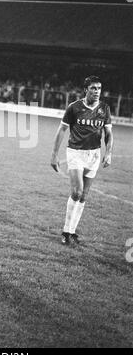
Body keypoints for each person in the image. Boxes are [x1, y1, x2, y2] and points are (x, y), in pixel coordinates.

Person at [50, 75, 113, 245]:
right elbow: (62, 130)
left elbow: (108, 134)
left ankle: (72, 232)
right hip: (75, 152)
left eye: (99, 88)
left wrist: (108, 153)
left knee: (84, 195)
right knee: (77, 192)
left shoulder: (104, 108)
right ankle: (65, 231)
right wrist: (54, 154)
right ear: (86, 90)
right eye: (93, 88)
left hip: (94, 154)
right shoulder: (74, 107)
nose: (97, 91)